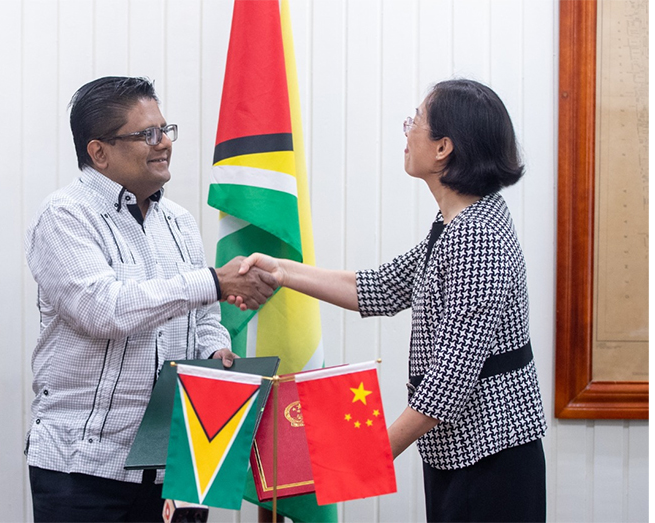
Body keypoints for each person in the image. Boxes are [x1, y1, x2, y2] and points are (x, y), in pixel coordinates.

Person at [233, 79, 547, 522]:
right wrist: (284, 273)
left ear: (443, 148)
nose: (406, 132)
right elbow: (380, 288)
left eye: (414, 121)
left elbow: (449, 385)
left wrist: (358, 458)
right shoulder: (458, 223)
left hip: (490, 454)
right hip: (460, 449)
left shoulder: (477, 237)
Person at [24, 76, 278, 522]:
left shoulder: (178, 222)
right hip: (84, 473)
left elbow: (204, 317)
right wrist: (214, 283)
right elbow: (104, 310)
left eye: (165, 130)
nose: (163, 144)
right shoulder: (64, 217)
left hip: (178, 468)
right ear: (98, 151)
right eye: (146, 134)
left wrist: (214, 349)